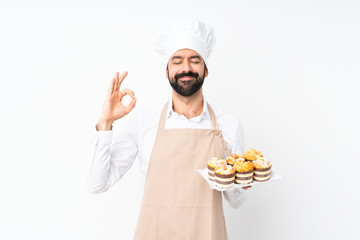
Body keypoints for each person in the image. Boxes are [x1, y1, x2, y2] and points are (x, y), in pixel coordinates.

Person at [88, 19, 250, 239]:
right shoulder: (143, 121)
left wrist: (238, 179)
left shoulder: (228, 124)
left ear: (206, 69)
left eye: (195, 60)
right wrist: (105, 123)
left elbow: (237, 201)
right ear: (166, 70)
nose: (186, 68)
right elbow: (97, 184)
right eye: (177, 61)